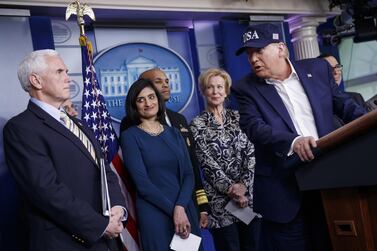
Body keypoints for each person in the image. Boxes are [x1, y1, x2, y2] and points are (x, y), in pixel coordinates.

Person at [232, 23, 366, 251]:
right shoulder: (244, 88)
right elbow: (254, 127)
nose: (253, 59)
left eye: (259, 51)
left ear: (281, 49)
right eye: (249, 54)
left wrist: (368, 123)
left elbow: (345, 106)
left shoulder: (318, 69)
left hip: (332, 182)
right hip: (284, 190)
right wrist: (293, 142)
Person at [3, 49, 126, 251]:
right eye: (60, 72)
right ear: (36, 81)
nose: (68, 78)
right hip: (66, 241)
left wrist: (118, 207)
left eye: (67, 71)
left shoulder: (79, 124)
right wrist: (100, 226)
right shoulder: (21, 128)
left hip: (106, 240)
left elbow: (105, 171)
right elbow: (45, 190)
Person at [120, 78, 202, 250]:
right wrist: (175, 211)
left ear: (158, 99)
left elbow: (188, 174)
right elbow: (143, 185)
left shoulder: (175, 133)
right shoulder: (130, 136)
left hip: (185, 208)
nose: (148, 103)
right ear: (134, 106)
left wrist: (180, 207)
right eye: (141, 100)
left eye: (151, 97)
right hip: (155, 213)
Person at [190, 68, 259, 251]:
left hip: (248, 197)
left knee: (252, 245)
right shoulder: (197, 124)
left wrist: (244, 186)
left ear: (227, 90)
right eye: (210, 87)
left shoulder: (239, 118)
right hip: (220, 201)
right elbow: (206, 162)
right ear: (203, 91)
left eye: (220, 87)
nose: (215, 92)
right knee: (230, 246)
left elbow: (251, 152)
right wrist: (233, 190)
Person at [135, 67, 210, 228]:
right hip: (159, 207)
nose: (165, 85)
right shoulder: (134, 125)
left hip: (187, 201)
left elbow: (191, 163)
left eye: (167, 81)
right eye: (158, 81)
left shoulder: (179, 119)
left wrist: (202, 204)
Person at [318, 53, 367, 127]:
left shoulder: (356, 97)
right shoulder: (318, 106)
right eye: (329, 69)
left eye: (338, 67)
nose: (336, 72)